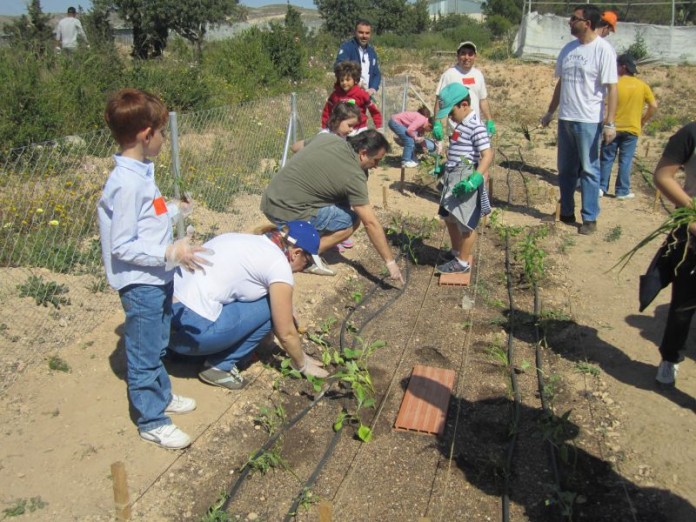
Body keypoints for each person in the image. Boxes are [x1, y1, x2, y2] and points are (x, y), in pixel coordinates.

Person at [98, 88, 213, 450]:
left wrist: (176, 208)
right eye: (161, 131)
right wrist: (171, 251)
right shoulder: (127, 183)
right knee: (145, 354)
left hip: (157, 278)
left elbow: (148, 215)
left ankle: (161, 395)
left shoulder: (141, 173)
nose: (164, 137)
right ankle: (151, 419)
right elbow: (122, 245)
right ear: (146, 135)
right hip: (141, 283)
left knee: (158, 343)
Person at [169, 222, 329, 389]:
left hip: (162, 324)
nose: (304, 268)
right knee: (272, 308)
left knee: (267, 300)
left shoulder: (241, 240)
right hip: (192, 334)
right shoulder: (278, 263)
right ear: (296, 253)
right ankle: (219, 367)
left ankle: (181, 353)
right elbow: (286, 333)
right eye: (307, 263)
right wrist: (302, 363)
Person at [261, 130, 404, 283]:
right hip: (286, 211)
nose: (376, 166)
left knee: (342, 199)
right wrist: (390, 262)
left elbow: (295, 147)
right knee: (352, 221)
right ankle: (307, 257)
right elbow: (370, 223)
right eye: (376, 160)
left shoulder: (328, 138)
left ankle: (297, 235)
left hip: (269, 201)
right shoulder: (354, 176)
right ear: (363, 153)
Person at [540, 4, 618, 235]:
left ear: (588, 23)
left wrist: (609, 123)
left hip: (589, 121)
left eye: (575, 19)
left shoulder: (603, 50)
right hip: (566, 118)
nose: (570, 22)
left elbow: (612, 89)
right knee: (565, 169)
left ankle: (590, 218)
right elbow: (561, 83)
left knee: (589, 170)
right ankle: (566, 211)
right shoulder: (568, 49)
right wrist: (550, 112)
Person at [651, 122, 696, 387]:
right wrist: (692, 215)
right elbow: (663, 176)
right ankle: (670, 357)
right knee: (684, 303)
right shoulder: (691, 133)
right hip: (693, 234)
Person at [434, 83, 493, 275]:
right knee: (449, 216)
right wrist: (445, 166)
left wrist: (474, 179)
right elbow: (460, 152)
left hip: (465, 178)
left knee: (466, 222)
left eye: (451, 112)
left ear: (464, 105)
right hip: (453, 177)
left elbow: (487, 155)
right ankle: (456, 251)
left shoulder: (476, 127)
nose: (450, 117)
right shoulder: (460, 125)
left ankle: (462, 262)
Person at [600, 54, 657, 199]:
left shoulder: (614, 84)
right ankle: (622, 191)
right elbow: (653, 106)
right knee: (626, 160)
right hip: (632, 129)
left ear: (623, 67)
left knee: (607, 158)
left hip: (613, 127)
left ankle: (601, 187)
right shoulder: (642, 86)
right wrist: (643, 121)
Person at [434, 41, 495, 136]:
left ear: (475, 56)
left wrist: (489, 120)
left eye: (470, 54)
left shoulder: (478, 75)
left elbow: (483, 100)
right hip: (455, 130)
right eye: (463, 53)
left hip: (474, 128)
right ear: (458, 55)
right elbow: (439, 100)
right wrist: (437, 123)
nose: (467, 57)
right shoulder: (449, 75)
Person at [321, 61, 382, 133]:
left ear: (355, 80)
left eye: (347, 80)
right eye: (342, 80)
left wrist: (379, 126)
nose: (344, 83)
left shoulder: (361, 94)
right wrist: (325, 128)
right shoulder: (335, 95)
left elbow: (374, 111)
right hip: (341, 130)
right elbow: (327, 112)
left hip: (359, 130)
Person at [292, 102, 361, 153]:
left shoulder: (343, 136)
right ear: (338, 120)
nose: (352, 129)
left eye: (354, 126)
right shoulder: (325, 135)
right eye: (349, 125)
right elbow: (296, 148)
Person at [335, 19, 381, 95]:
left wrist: (373, 88)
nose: (364, 36)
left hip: (366, 96)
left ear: (370, 34)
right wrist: (356, 82)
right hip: (349, 95)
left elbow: (376, 74)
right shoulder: (347, 48)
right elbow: (339, 67)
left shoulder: (372, 52)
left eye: (367, 33)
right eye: (361, 32)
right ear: (355, 33)